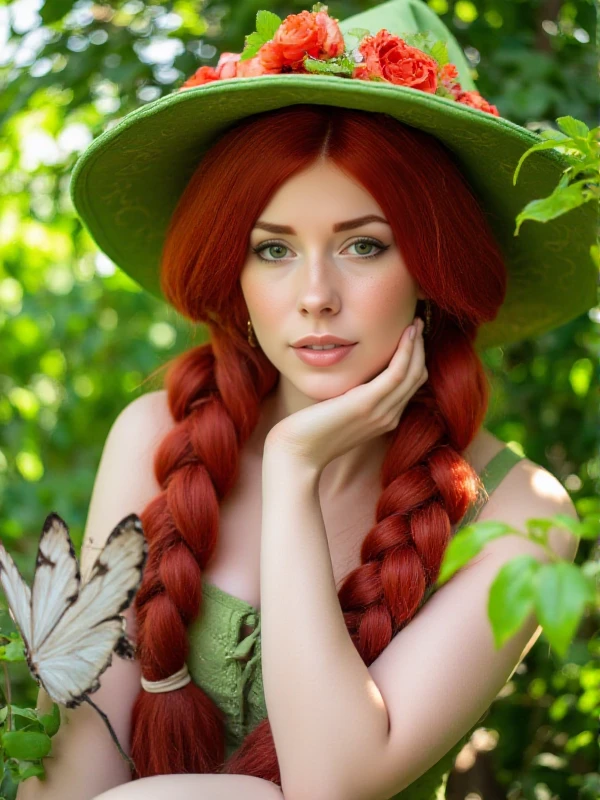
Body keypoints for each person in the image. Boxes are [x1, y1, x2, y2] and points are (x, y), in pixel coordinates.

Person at [20, 1, 593, 799]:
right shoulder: (154, 437)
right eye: (273, 248)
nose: (315, 295)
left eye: (365, 244)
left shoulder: (521, 511)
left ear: (433, 267)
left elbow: (331, 784)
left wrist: (293, 467)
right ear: (236, 269)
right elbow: (69, 778)